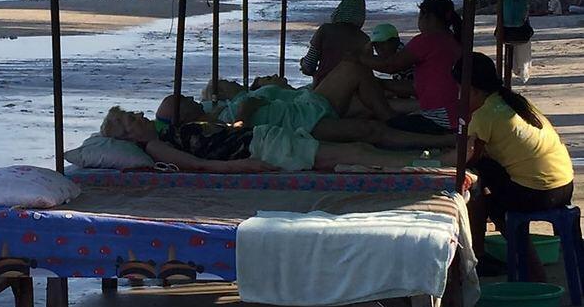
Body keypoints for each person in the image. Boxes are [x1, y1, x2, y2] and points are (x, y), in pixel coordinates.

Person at [454, 53, 573, 281]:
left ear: (473, 90)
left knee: (485, 189)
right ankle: (483, 255)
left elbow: (467, 157)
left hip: (540, 192)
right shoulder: (513, 101)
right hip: (563, 186)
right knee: (487, 176)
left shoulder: (485, 114)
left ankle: (530, 270)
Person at [159, 63, 453, 152]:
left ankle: (404, 114)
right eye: (183, 101)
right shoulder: (206, 130)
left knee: (353, 68)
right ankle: (444, 140)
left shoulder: (215, 107)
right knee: (370, 129)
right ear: (182, 116)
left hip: (303, 104)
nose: (190, 98)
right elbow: (238, 129)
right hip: (299, 126)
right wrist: (244, 110)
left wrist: (246, 100)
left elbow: (248, 97)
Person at [101, 107, 439, 174]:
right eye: (133, 119)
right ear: (129, 135)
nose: (141, 116)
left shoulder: (162, 132)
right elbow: (199, 165)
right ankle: (435, 162)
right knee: (357, 152)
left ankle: (432, 158)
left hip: (260, 140)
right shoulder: (156, 147)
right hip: (261, 148)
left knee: (357, 152)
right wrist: (242, 165)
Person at [359, 0, 461, 135]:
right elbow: (419, 86)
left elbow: (390, 66)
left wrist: (359, 58)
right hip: (452, 114)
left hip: (440, 118)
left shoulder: (427, 40)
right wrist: (381, 83)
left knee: (382, 127)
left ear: (428, 17)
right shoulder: (451, 40)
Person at [299, 0, 370, 87]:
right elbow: (366, 71)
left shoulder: (325, 30)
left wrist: (304, 65)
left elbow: (308, 66)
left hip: (323, 87)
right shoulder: (364, 39)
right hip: (352, 89)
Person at [369, 23, 415, 98]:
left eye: (383, 43)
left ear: (395, 41)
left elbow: (406, 93)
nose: (379, 48)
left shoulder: (403, 58)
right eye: (376, 45)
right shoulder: (402, 52)